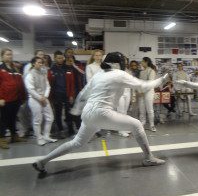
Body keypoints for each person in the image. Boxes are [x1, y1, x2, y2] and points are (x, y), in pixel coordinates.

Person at [32, 52, 168, 174]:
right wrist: (162, 80)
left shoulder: (99, 74)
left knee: (77, 142)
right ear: (117, 64)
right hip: (101, 113)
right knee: (137, 124)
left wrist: (76, 110)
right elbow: (143, 86)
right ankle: (148, 158)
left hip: (88, 112)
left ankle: (43, 161)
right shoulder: (119, 74)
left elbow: (84, 93)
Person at [25, 57, 56, 146]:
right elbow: (30, 89)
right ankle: (39, 138)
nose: (41, 64)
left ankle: (46, 136)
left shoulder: (43, 73)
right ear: (33, 63)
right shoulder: (29, 74)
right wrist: (40, 98)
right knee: (37, 120)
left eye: (42, 62)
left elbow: (48, 86)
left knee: (50, 117)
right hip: (34, 99)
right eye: (38, 62)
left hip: (44, 98)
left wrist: (45, 96)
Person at [0, 48, 26, 149]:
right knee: (4, 119)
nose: (9, 56)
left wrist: (22, 96)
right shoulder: (0, 68)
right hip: (5, 99)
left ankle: (14, 136)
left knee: (13, 118)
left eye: (10, 54)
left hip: (16, 98)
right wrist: (0, 98)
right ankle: (1, 139)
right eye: (7, 54)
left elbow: (20, 83)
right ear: (2, 56)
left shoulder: (14, 68)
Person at [49, 51, 77, 138]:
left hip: (67, 95)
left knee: (69, 113)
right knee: (58, 113)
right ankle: (60, 130)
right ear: (54, 58)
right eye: (58, 58)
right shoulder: (51, 70)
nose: (60, 59)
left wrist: (71, 95)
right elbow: (49, 84)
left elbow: (72, 83)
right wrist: (50, 98)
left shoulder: (68, 68)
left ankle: (70, 130)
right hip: (57, 95)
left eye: (62, 58)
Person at [138, 57, 157, 132]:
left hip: (149, 92)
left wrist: (143, 91)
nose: (141, 63)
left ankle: (152, 125)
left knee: (150, 109)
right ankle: (142, 123)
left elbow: (150, 83)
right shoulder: (141, 72)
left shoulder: (151, 71)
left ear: (146, 62)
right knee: (142, 109)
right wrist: (140, 91)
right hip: (141, 93)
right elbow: (139, 83)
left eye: (142, 61)